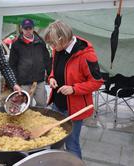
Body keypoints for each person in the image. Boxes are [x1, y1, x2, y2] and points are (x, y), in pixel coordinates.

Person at [44, 20, 103, 159]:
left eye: (53, 43)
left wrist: (73, 89)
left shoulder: (86, 55)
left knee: (71, 144)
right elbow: (55, 70)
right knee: (55, 140)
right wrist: (51, 78)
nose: (52, 47)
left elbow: (97, 82)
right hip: (57, 103)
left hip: (74, 109)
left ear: (62, 39)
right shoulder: (57, 49)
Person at [9, 18, 51, 107]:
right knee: (25, 106)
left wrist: (50, 75)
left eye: (30, 28)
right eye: (25, 29)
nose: (28, 31)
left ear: (33, 28)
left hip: (39, 80)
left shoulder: (40, 42)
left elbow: (47, 59)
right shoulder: (16, 44)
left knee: (42, 104)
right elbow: (12, 64)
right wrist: (15, 81)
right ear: (22, 29)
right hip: (24, 82)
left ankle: (41, 121)